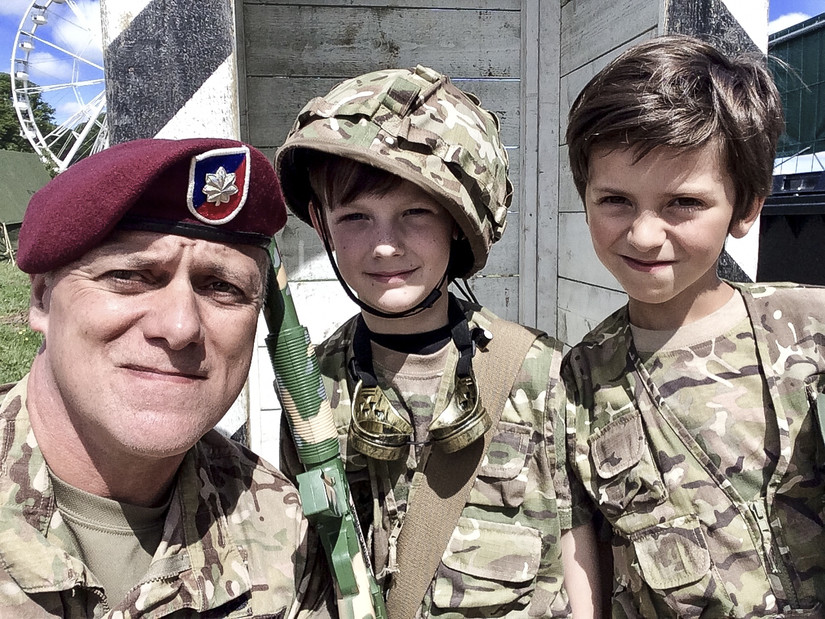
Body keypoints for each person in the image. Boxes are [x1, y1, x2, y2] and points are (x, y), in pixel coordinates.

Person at [274, 65, 601, 617]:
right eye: (355, 216)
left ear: (458, 221)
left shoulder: (541, 375)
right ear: (320, 223)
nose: (385, 246)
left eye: (415, 212)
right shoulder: (312, 387)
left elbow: (577, 556)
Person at [0, 137, 333, 618]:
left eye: (222, 287)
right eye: (130, 277)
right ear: (41, 300)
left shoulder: (281, 527)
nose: (180, 328)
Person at [562, 34, 825, 617]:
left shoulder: (811, 334)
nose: (644, 235)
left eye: (682, 203)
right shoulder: (576, 382)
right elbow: (585, 564)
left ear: (747, 206)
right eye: (615, 201)